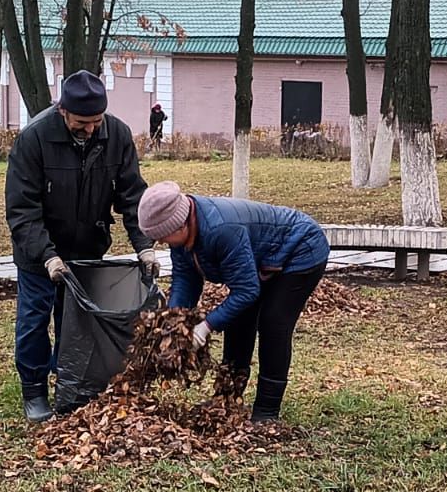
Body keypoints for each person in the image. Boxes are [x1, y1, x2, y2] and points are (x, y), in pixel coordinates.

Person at [5, 70, 161, 423]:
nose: (90, 129)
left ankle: (69, 384)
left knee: (75, 324)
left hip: (88, 251)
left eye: (96, 121)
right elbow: (22, 210)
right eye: (81, 122)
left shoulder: (116, 135)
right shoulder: (34, 139)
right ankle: (34, 390)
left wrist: (144, 246)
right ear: (63, 111)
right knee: (33, 321)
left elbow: (132, 196)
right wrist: (47, 257)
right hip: (38, 256)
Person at [137, 181, 330, 422]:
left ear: (180, 223)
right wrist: (175, 322)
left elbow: (247, 290)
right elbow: (186, 280)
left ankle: (267, 412)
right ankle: (228, 399)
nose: (163, 242)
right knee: (239, 320)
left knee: (273, 324)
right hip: (262, 261)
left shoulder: (221, 229)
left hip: (300, 249)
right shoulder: (184, 233)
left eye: (163, 236)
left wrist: (206, 326)